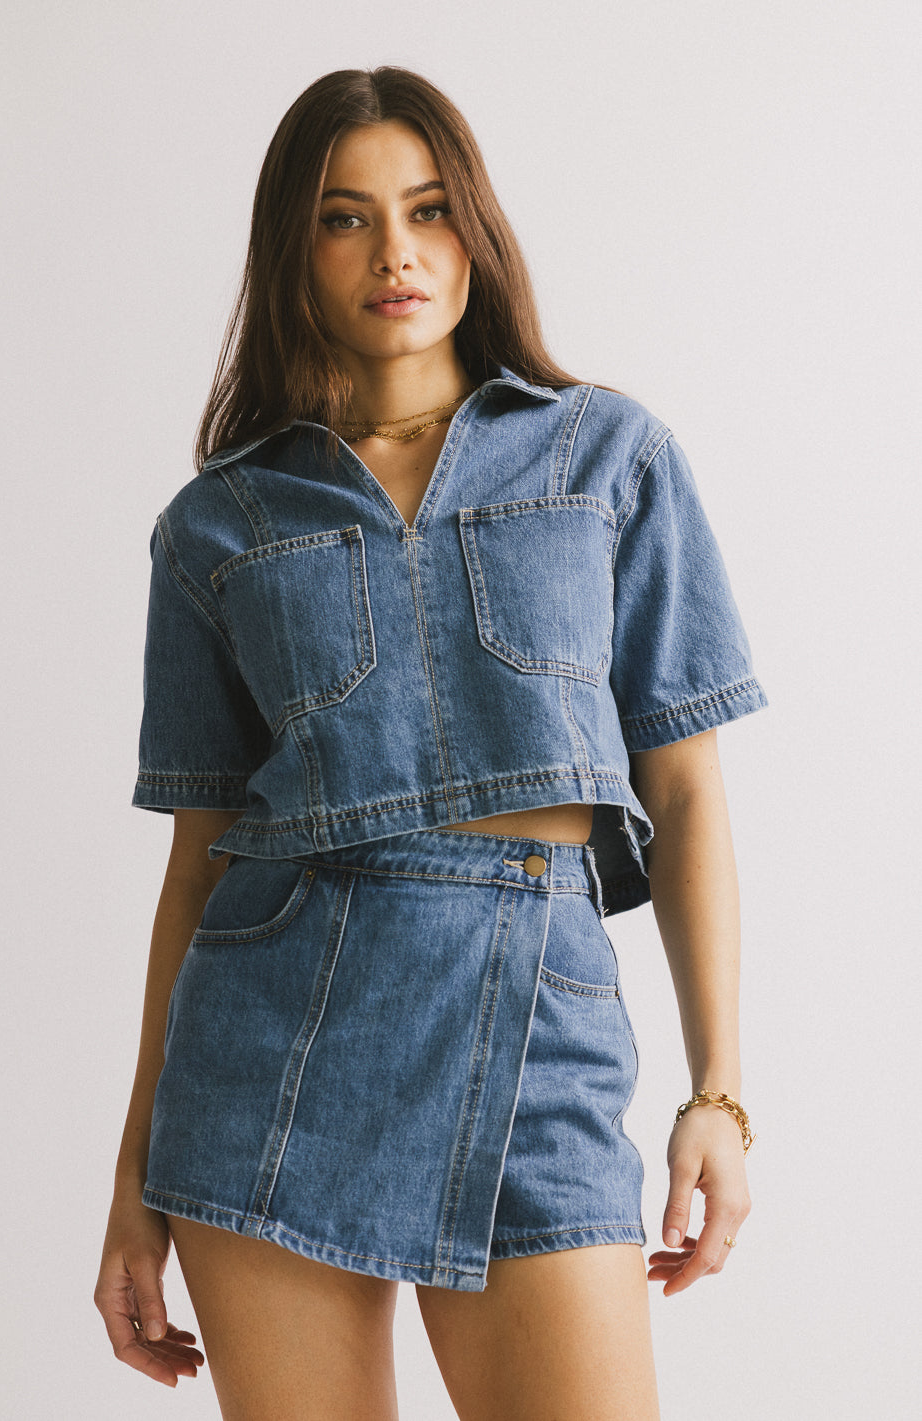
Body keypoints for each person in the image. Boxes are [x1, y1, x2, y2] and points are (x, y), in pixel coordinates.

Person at [94, 65, 766, 1421]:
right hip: (272, 1049)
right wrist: (131, 1182)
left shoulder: (608, 458)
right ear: (293, 253)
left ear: (476, 228)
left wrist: (721, 1093)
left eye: (427, 208)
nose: (394, 251)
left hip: (540, 1026)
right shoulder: (218, 523)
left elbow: (688, 793)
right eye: (344, 219)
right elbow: (196, 863)